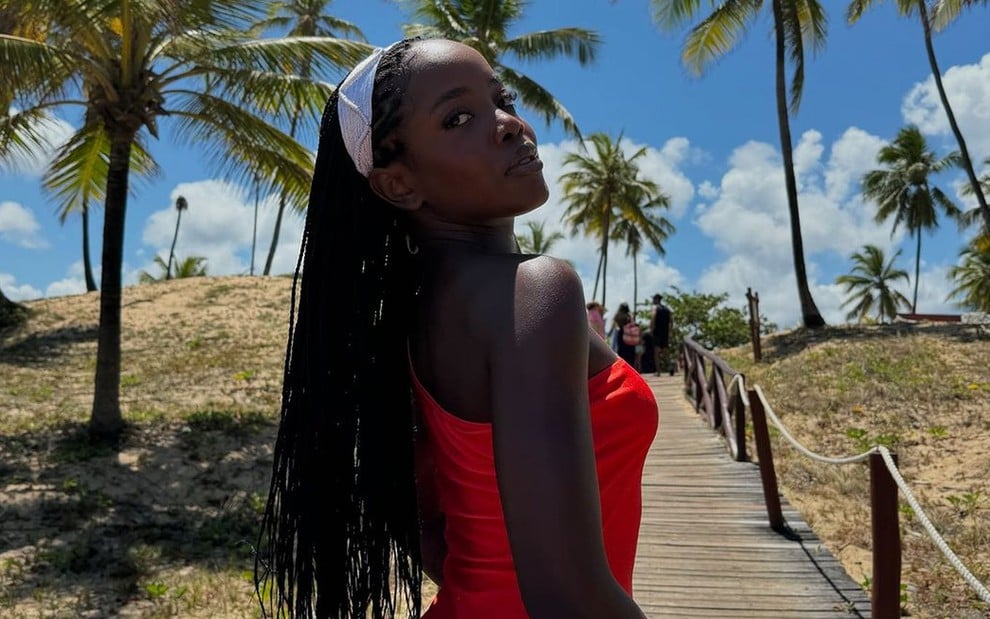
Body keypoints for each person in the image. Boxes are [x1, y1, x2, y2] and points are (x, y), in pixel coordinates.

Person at [255, 38, 659, 619]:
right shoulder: (535, 291)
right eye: (459, 117)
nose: (509, 125)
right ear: (398, 184)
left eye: (502, 99)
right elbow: (569, 600)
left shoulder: (414, 319)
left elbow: (419, 516)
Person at [650, 294, 674, 376]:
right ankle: (670, 366)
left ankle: (658, 371)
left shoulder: (654, 307)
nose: (652, 301)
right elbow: (671, 321)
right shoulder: (667, 309)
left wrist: (651, 329)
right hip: (665, 332)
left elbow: (653, 317)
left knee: (656, 352)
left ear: (656, 299)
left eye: (653, 299)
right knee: (665, 351)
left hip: (657, 332)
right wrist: (670, 332)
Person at [609, 302, 638, 367]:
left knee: (621, 353)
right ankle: (630, 368)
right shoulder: (629, 316)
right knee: (630, 353)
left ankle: (621, 368)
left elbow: (613, 326)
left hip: (621, 334)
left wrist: (609, 333)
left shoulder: (618, 315)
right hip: (629, 335)